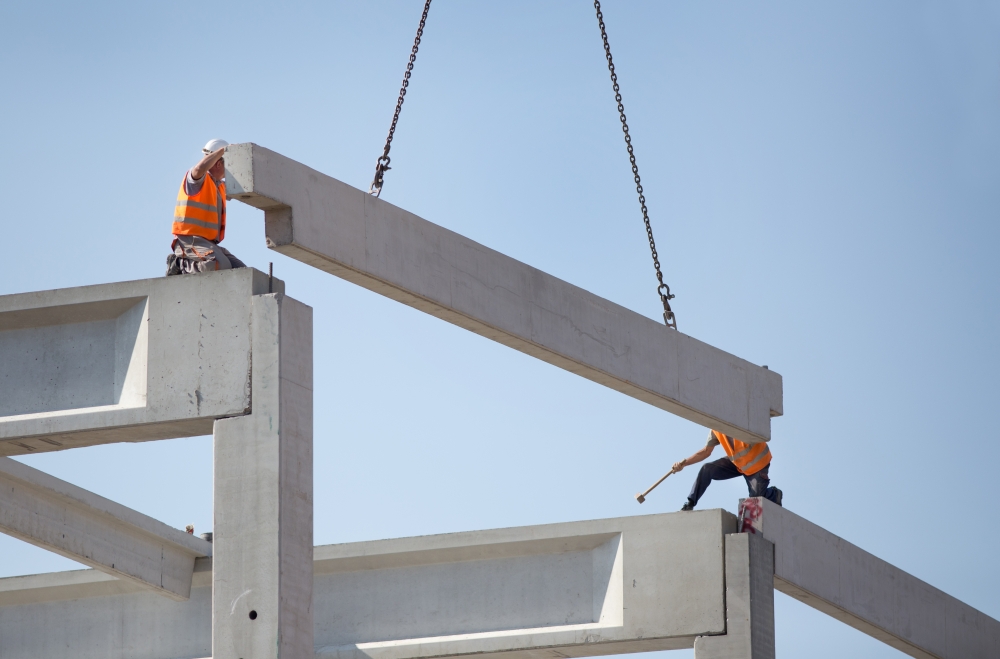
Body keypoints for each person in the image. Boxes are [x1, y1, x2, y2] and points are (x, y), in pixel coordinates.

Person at [166, 139, 247, 275]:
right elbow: (198, 169)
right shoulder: (196, 180)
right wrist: (223, 151)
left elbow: (244, 187)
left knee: (241, 271)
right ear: (218, 163)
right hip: (189, 241)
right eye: (228, 164)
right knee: (219, 265)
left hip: (208, 243)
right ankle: (180, 263)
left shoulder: (218, 185)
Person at [671, 429, 783, 511]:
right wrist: (683, 463)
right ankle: (690, 503)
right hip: (738, 463)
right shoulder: (715, 428)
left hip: (757, 463)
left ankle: (773, 494)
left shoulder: (739, 418)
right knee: (707, 469)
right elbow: (706, 451)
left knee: (756, 500)